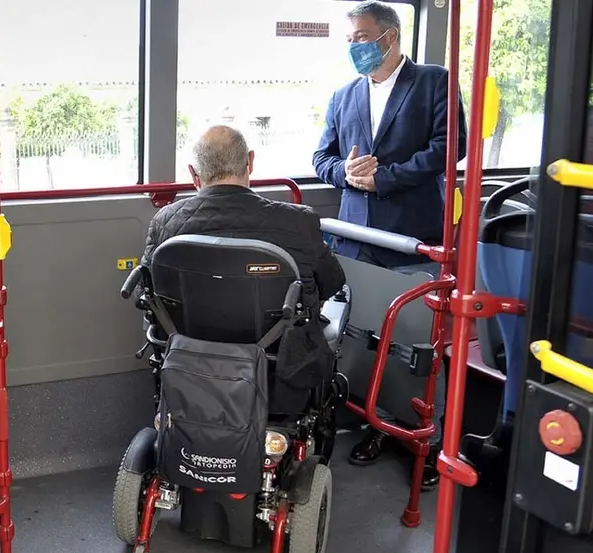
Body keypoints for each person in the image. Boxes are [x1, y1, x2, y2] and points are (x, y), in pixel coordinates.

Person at [312, 0, 466, 489]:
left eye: (361, 37)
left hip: (412, 236)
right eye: (350, 39)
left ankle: (426, 437)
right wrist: (348, 176)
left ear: (390, 37)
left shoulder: (434, 82)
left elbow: (449, 148)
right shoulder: (343, 95)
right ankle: (379, 424)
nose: (354, 47)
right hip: (357, 237)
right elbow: (322, 157)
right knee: (365, 338)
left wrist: (387, 180)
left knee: (418, 344)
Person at [142, 125, 346, 413]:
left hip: (191, 363)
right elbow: (332, 283)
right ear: (250, 161)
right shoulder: (297, 222)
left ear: (193, 173)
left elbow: (148, 293)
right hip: (281, 370)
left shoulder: (166, 223)